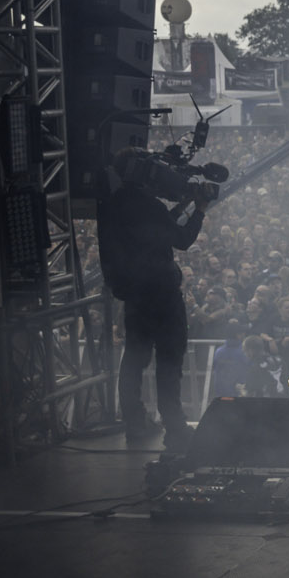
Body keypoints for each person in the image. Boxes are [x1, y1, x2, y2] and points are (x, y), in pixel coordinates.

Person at [98, 146, 209, 444]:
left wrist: (183, 205)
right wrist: (198, 210)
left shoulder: (113, 204)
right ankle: (174, 426)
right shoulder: (149, 206)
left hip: (134, 297)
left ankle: (135, 423)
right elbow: (181, 239)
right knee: (169, 362)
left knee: (134, 361)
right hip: (161, 294)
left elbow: (156, 230)